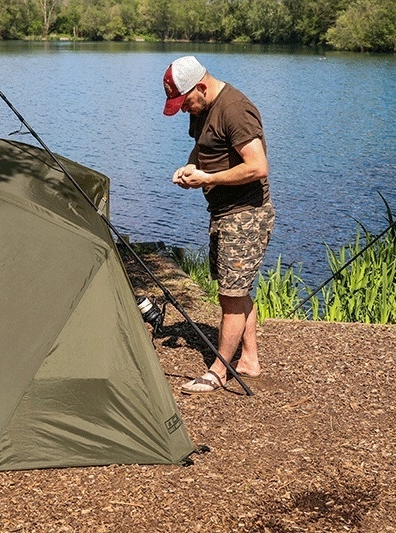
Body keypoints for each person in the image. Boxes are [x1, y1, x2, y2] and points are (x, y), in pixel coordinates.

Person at [162, 55, 275, 395]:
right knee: (235, 291)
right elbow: (202, 147)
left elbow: (257, 167)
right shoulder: (201, 108)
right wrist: (190, 168)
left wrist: (208, 178)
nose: (184, 109)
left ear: (200, 86)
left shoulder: (235, 109)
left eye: (185, 102)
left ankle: (218, 371)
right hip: (223, 212)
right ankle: (249, 360)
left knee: (231, 295)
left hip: (246, 214)